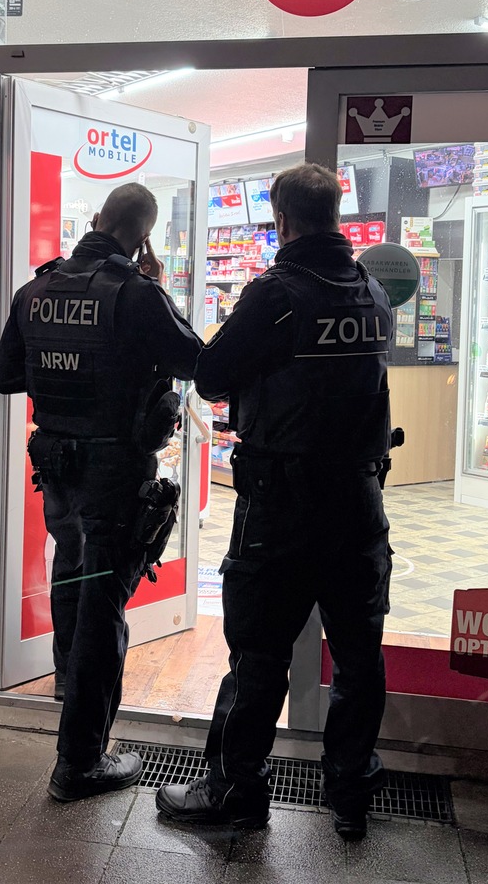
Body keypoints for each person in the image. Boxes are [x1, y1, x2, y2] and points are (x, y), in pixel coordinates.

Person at [156, 164, 394, 838]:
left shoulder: (276, 293)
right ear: (336, 214)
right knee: (359, 655)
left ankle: (236, 789)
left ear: (282, 221)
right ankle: (350, 794)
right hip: (359, 502)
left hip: (280, 507)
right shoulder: (371, 291)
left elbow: (210, 375)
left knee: (259, 655)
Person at [0, 183, 201, 803]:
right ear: (143, 237)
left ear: (97, 219)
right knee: (103, 606)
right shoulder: (137, 295)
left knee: (72, 575)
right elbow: (198, 363)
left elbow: (8, 377)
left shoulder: (35, 290)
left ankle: (69, 690)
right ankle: (80, 761)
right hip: (116, 472)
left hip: (58, 465)